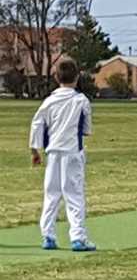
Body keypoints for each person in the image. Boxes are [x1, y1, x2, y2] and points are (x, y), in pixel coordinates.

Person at [29, 59, 97, 252]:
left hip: (53, 153)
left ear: (56, 77)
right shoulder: (81, 100)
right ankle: (78, 238)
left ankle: (48, 235)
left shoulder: (49, 101)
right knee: (74, 195)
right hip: (72, 152)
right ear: (77, 77)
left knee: (51, 195)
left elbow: (37, 124)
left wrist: (35, 150)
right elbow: (87, 129)